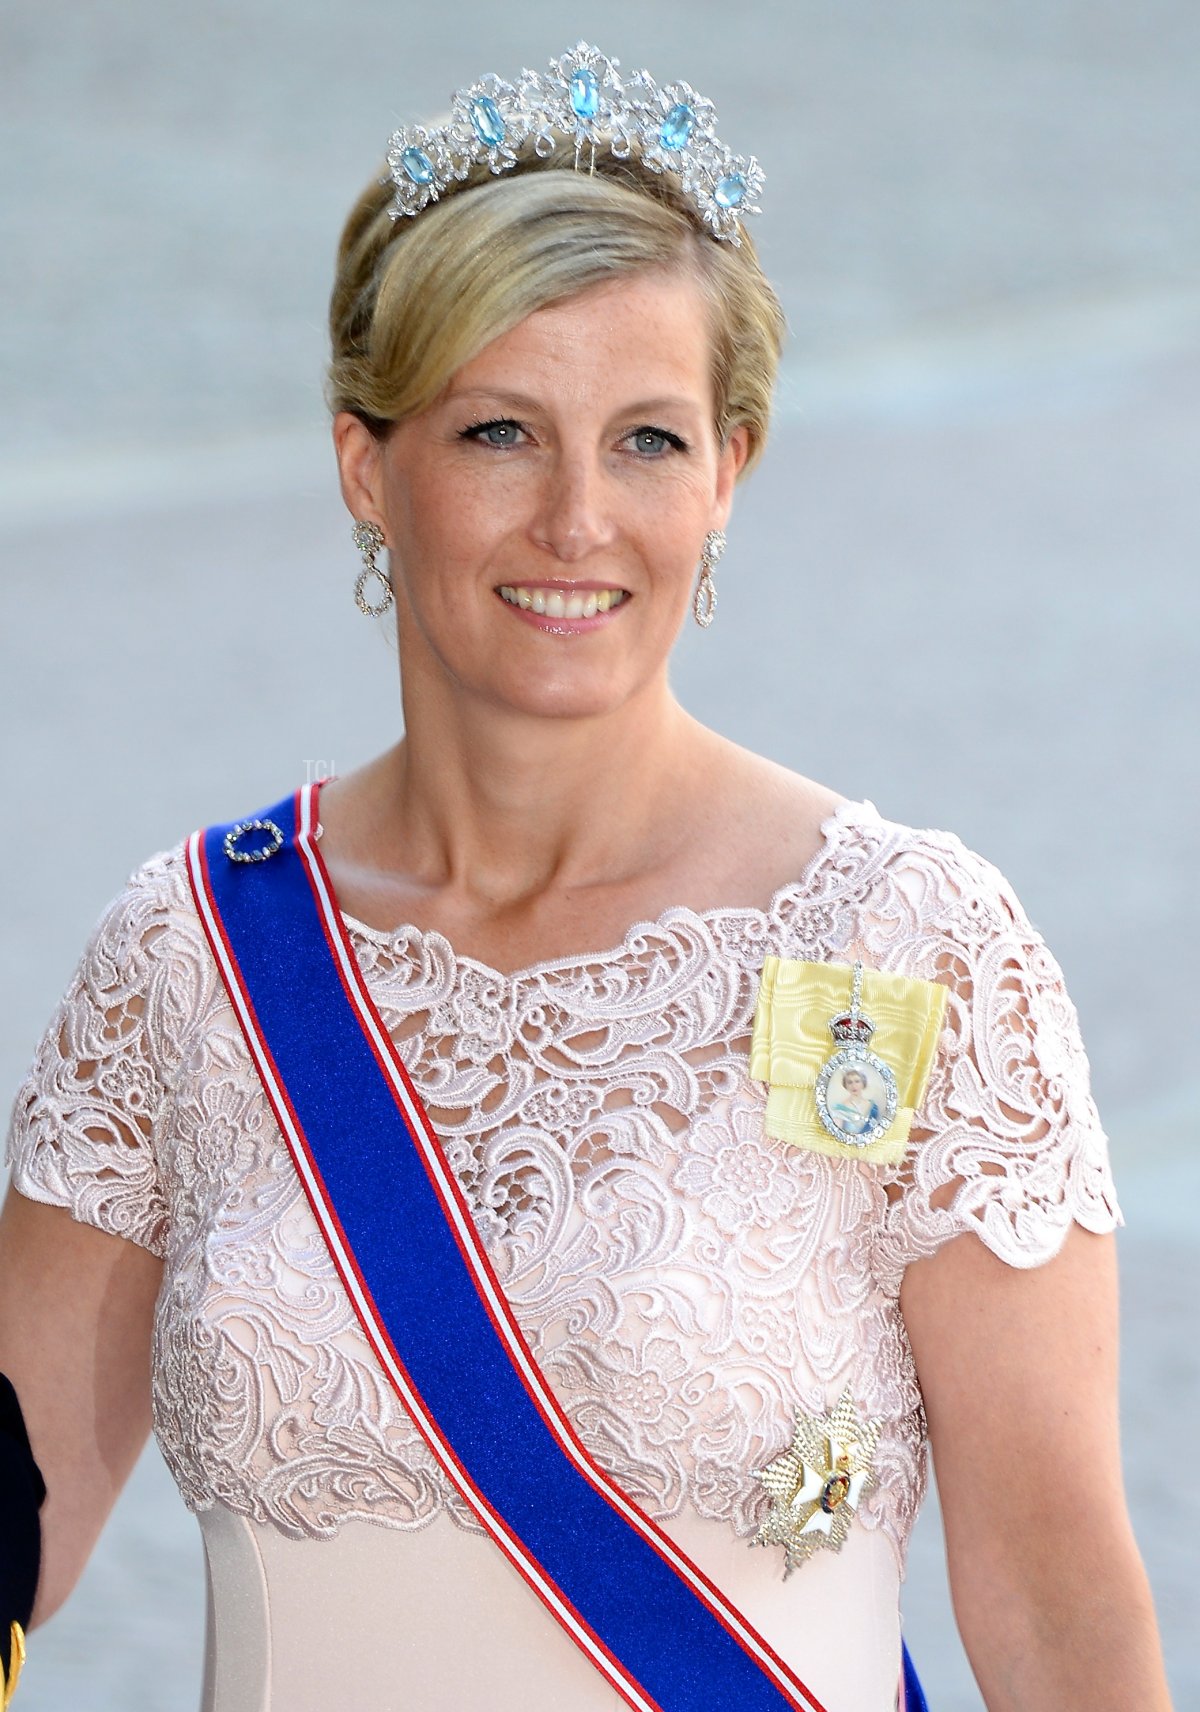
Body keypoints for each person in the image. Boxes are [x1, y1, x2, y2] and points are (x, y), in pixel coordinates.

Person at [0, 42, 1172, 1712]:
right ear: (365, 469)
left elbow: (1059, 1606)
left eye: (644, 440)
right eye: (497, 432)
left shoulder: (913, 949)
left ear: (728, 474)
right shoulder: (187, 957)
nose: (574, 518)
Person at [829, 1068, 880, 1137]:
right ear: (846, 1085)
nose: (854, 1086)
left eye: (857, 1081)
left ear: (863, 1083)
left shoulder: (873, 1108)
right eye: (850, 1082)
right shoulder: (840, 1109)